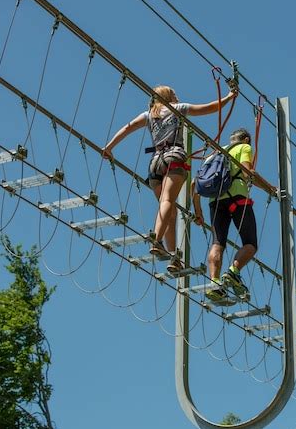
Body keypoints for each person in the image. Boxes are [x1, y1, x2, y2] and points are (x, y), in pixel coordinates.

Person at [102, 85, 237, 272]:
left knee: (170, 211)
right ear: (168, 96)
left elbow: (127, 128)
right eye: (174, 93)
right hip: (173, 157)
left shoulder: (148, 115)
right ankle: (156, 240)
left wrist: (109, 147)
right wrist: (229, 97)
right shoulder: (178, 108)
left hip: (155, 163)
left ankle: (173, 257)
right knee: (167, 201)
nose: (177, 95)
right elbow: (209, 108)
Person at [191, 127, 277, 302]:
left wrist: (198, 211)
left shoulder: (214, 154)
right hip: (238, 198)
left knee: (217, 242)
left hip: (215, 201)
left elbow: (195, 184)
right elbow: (248, 173)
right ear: (245, 139)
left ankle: (214, 282)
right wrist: (270, 189)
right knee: (250, 243)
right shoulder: (244, 148)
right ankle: (233, 272)